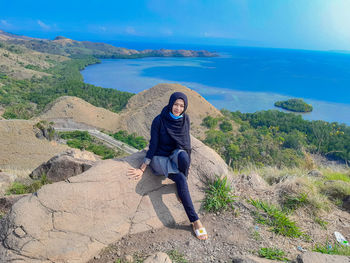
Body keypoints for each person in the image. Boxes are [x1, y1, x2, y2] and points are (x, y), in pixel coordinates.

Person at [127, 92, 208, 240]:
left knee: (184, 157)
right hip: (160, 157)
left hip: (174, 153)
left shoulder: (185, 119)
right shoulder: (159, 120)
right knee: (181, 181)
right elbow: (153, 145)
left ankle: (181, 183)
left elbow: (186, 145)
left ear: (185, 107)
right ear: (171, 103)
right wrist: (142, 168)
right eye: (176, 104)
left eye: (181, 106)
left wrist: (185, 171)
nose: (178, 108)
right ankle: (195, 221)